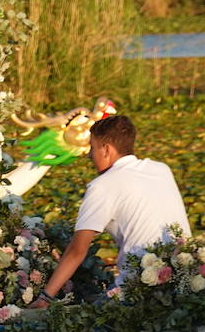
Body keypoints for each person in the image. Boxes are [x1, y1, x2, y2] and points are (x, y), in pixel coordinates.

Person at [34, 114, 192, 304]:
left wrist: (45, 297)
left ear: (106, 149)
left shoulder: (102, 185)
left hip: (139, 289)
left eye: (92, 148)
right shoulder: (161, 169)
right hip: (187, 277)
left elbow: (77, 250)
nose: (90, 155)